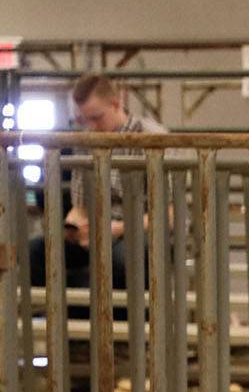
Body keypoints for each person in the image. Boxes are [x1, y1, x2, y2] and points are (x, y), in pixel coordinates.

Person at [29, 73, 168, 297]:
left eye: (97, 118)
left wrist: (117, 228)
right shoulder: (87, 141)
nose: (92, 126)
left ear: (116, 104)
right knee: (37, 252)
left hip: (139, 231)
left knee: (120, 260)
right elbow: (80, 206)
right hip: (97, 231)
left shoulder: (153, 138)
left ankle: (127, 320)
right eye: (85, 120)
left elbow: (168, 215)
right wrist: (72, 227)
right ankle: (50, 317)